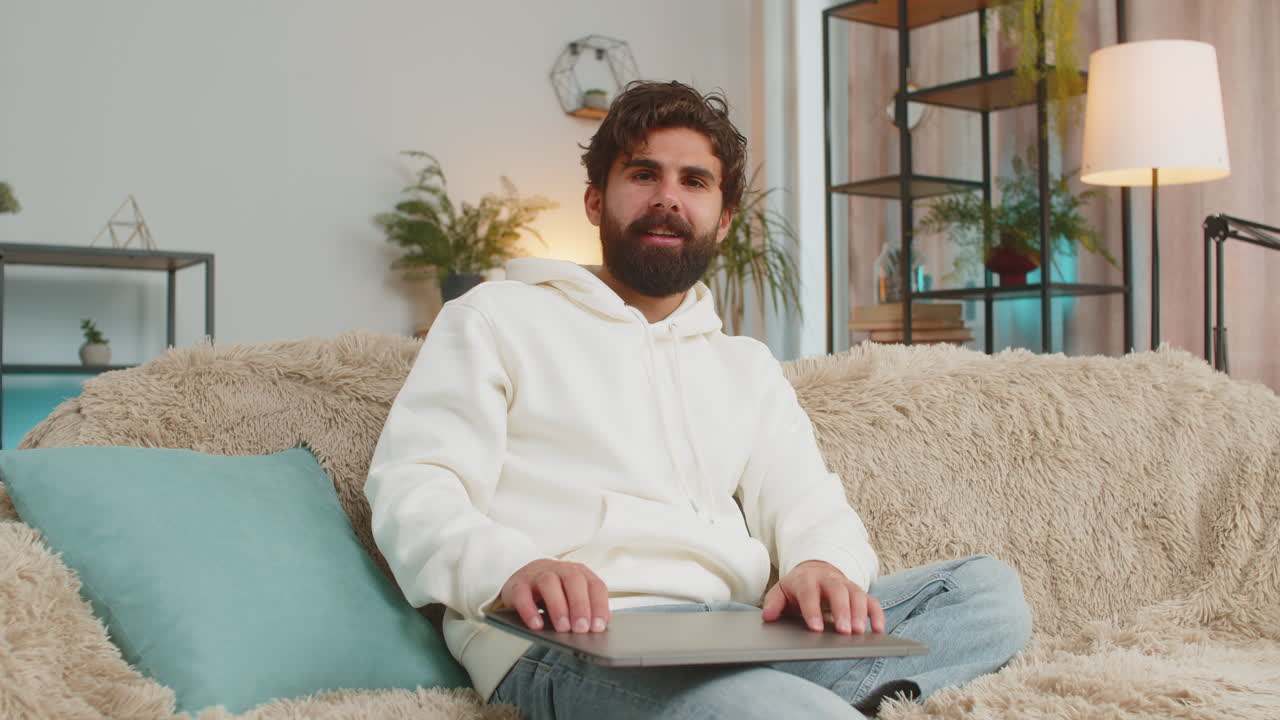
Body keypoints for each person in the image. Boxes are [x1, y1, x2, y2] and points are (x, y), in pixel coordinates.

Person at [365, 80, 1032, 719]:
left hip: (735, 635)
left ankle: (761, 701)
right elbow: (415, 486)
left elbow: (808, 502)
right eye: (643, 174)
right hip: (569, 641)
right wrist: (511, 569)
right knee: (756, 705)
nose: (668, 199)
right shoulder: (494, 318)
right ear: (597, 201)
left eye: (694, 181)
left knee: (984, 594)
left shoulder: (743, 366)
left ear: (725, 216)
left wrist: (820, 567)